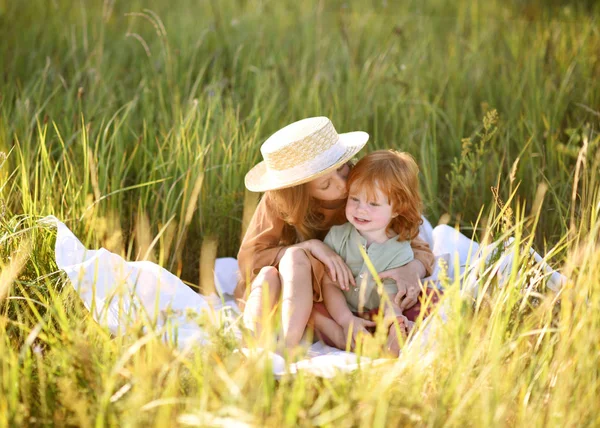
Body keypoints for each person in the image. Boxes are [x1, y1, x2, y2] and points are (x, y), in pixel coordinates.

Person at [235, 117, 435, 348]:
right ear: (299, 192)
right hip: (291, 280)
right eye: (325, 185)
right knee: (272, 275)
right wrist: (310, 246)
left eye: (342, 169)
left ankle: (376, 346)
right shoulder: (280, 202)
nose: (342, 185)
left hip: (331, 290)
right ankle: (254, 345)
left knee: (401, 308)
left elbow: (411, 242)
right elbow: (249, 260)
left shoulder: (360, 192)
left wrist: (413, 269)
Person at [320, 150, 439, 356]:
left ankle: (394, 333)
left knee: (429, 300)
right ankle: (354, 339)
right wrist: (345, 318)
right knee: (315, 312)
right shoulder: (338, 236)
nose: (361, 209)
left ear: (397, 209)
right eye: (354, 199)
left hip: (377, 312)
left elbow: (391, 296)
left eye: (373, 203)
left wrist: (393, 317)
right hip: (340, 310)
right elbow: (329, 285)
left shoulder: (399, 249)